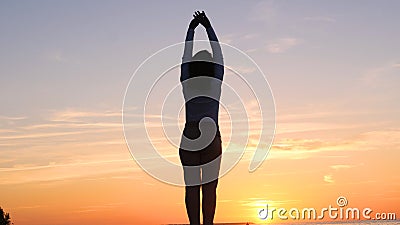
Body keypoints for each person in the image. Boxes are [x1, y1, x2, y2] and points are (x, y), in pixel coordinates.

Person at [179, 11, 224, 225]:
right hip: (211, 134)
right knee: (210, 189)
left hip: (190, 133)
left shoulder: (187, 78)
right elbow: (219, 55)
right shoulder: (215, 79)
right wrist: (208, 27)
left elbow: (185, 57)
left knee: (191, 188)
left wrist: (192, 29)